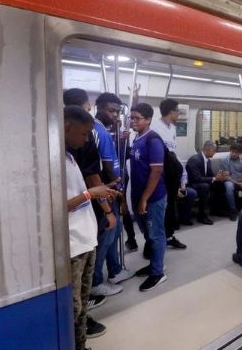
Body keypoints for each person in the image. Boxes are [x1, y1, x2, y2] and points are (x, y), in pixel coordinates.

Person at [63, 105, 118, 350]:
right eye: (83, 133)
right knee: (71, 308)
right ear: (67, 127)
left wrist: (101, 193)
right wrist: (90, 193)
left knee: (83, 304)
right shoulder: (54, 162)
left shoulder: (71, 157)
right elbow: (57, 207)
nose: (86, 139)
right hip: (73, 246)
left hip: (86, 241)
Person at [91, 92, 134, 297]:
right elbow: (109, 168)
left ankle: (115, 270)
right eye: (111, 110)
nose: (115, 115)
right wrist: (119, 191)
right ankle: (96, 281)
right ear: (97, 107)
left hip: (106, 191)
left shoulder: (103, 131)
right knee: (106, 237)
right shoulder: (99, 131)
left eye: (117, 111)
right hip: (107, 192)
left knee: (113, 234)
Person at [129, 103, 169, 291]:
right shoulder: (137, 138)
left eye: (137, 118)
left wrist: (144, 198)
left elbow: (156, 171)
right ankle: (155, 263)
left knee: (156, 234)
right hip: (139, 195)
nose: (133, 121)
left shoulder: (152, 140)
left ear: (148, 120)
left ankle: (158, 272)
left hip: (153, 198)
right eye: (132, 117)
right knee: (147, 233)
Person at [149, 98, 187, 250]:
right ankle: (152, 242)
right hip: (161, 172)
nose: (178, 113)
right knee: (159, 208)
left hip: (172, 172)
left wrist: (182, 177)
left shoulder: (172, 128)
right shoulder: (154, 126)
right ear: (171, 111)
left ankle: (169, 236)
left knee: (171, 207)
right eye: (177, 110)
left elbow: (173, 152)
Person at [185, 141, 227, 225]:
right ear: (209, 150)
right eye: (214, 150)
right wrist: (214, 178)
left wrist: (218, 176)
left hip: (201, 182)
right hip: (192, 184)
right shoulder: (195, 160)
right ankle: (202, 216)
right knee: (205, 187)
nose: (215, 153)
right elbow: (196, 178)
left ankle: (215, 210)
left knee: (220, 184)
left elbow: (210, 175)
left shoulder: (207, 160)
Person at [219, 143, 242, 221]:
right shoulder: (224, 160)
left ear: (240, 153)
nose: (233, 154)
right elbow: (226, 177)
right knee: (229, 187)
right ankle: (233, 210)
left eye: (236, 152)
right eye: (232, 151)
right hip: (230, 181)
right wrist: (240, 184)